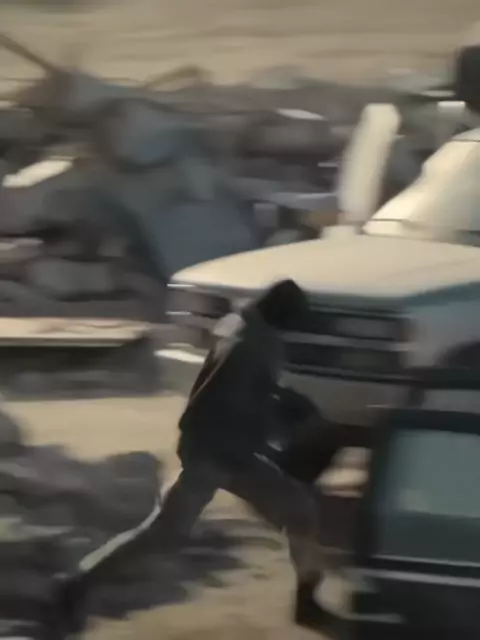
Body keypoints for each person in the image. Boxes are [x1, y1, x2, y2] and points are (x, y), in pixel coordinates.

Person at [156, 279, 329, 630]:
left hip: (220, 451)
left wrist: (281, 401)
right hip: (216, 455)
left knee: (300, 511)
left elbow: (246, 393)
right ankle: (80, 585)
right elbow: (237, 405)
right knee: (159, 537)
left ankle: (306, 599)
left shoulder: (243, 329)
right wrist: (281, 423)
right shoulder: (252, 344)